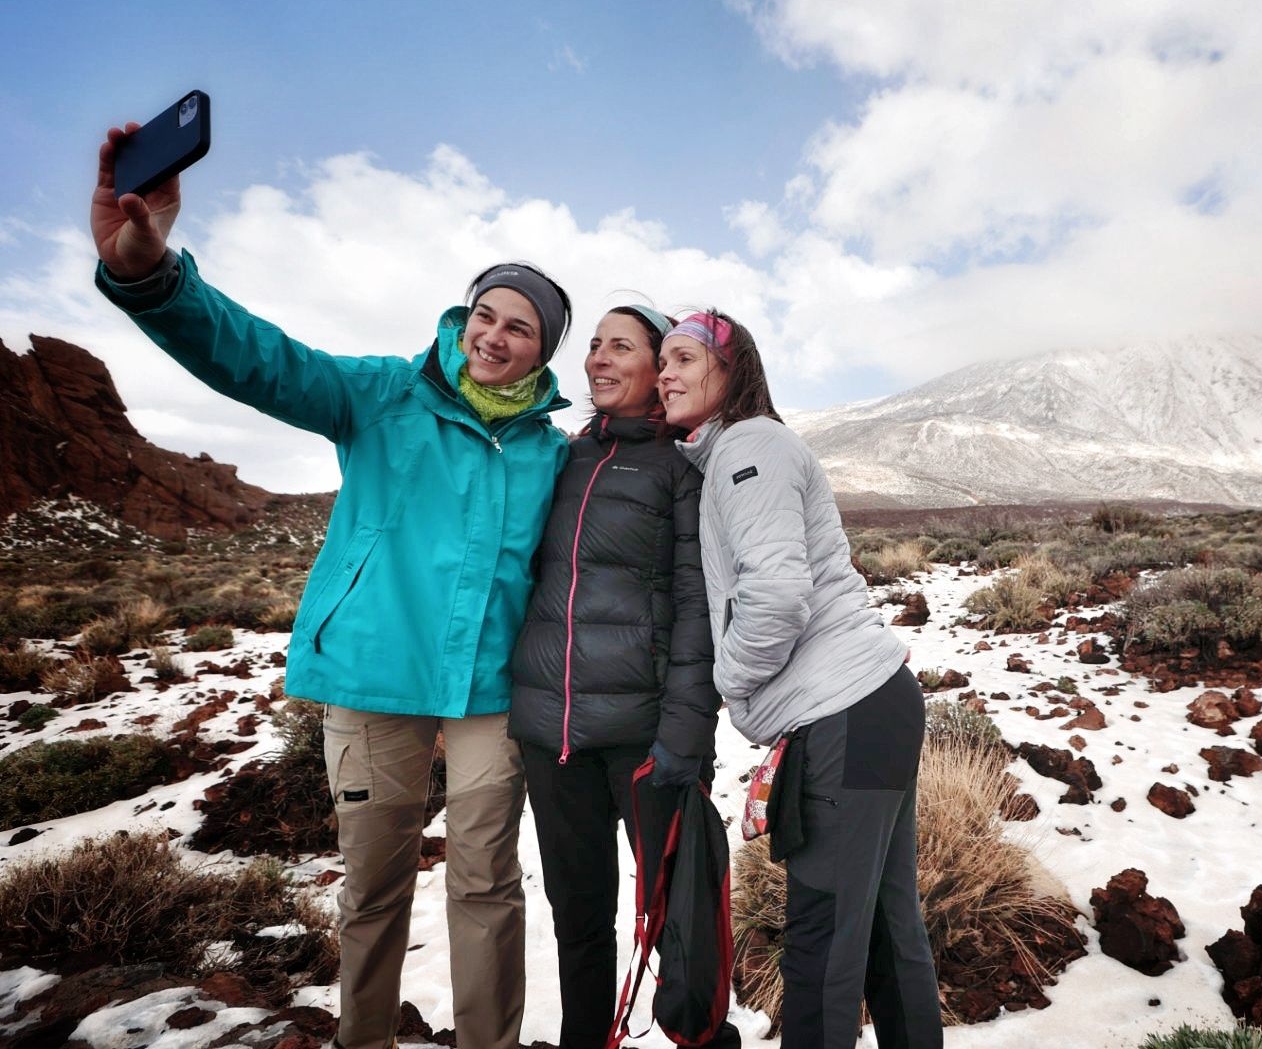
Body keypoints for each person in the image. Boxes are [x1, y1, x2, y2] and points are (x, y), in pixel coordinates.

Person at [90, 121, 572, 1049]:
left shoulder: (551, 452)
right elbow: (259, 359)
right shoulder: (382, 394)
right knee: (374, 889)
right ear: (463, 318)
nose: (497, 336)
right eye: (488, 315)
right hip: (373, 674)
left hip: (486, 692)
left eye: (522, 326)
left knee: (485, 884)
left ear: (543, 349)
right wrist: (153, 277)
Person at [657, 312, 944, 1049]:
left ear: (732, 370)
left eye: (684, 357)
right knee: (883, 926)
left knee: (821, 944)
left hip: (842, 715)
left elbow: (778, 595)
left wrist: (731, 680)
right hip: (869, 706)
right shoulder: (745, 448)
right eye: (662, 360)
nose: (665, 373)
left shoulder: (747, 445)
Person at [508, 304, 739, 1049]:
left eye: (622, 347)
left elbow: (700, 611)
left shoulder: (684, 470)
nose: (598, 360)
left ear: (658, 369)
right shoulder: (565, 457)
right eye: (595, 346)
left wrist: (683, 734)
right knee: (577, 925)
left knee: (681, 922)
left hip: (644, 737)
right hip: (553, 737)